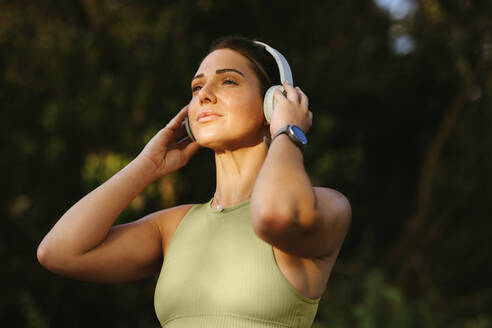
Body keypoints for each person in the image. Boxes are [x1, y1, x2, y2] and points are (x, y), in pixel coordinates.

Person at [37, 36, 351, 327]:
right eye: (197, 88)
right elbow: (58, 252)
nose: (205, 96)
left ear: (273, 102)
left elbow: (273, 215)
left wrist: (288, 132)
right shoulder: (174, 226)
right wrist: (147, 166)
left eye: (228, 81)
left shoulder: (326, 206)